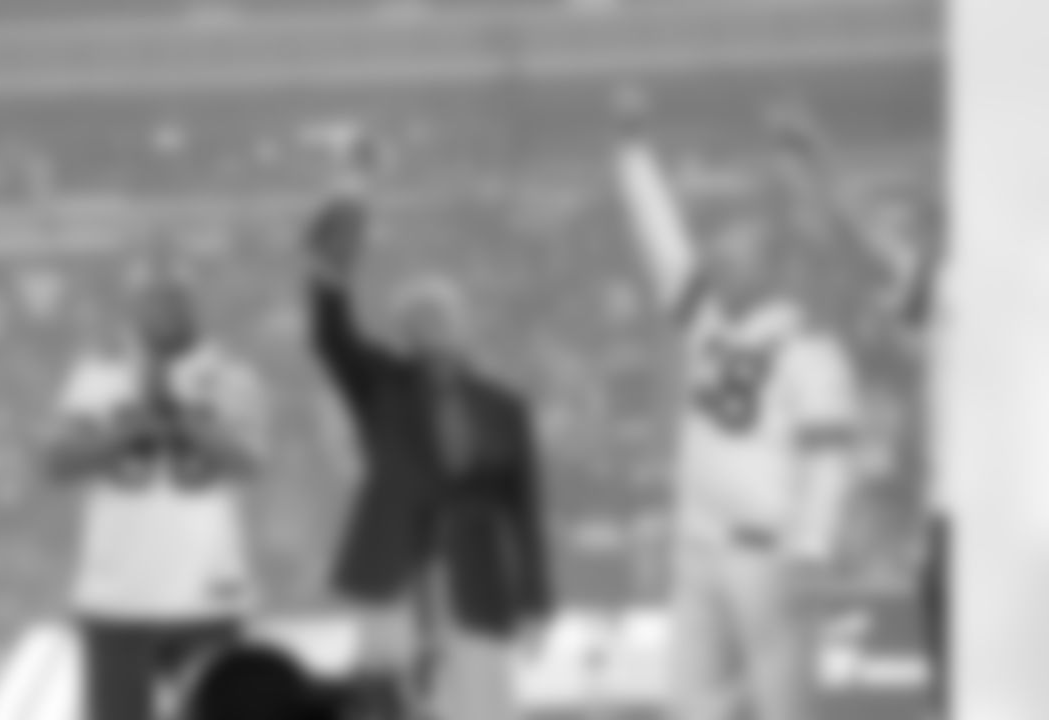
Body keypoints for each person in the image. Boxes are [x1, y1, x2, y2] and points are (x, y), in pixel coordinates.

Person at [611, 111, 865, 720]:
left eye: (737, 245)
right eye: (719, 245)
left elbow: (830, 464)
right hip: (697, 552)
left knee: (781, 707)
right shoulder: (707, 331)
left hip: (772, 558)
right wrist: (633, 156)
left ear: (773, 263)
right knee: (693, 707)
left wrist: (813, 550)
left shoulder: (810, 348)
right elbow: (663, 245)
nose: (719, 256)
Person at [300, 137, 552, 720]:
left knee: (483, 708)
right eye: (416, 320)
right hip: (395, 570)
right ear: (402, 336)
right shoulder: (378, 385)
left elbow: (525, 509)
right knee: (388, 705)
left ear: (465, 327)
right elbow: (328, 318)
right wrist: (352, 192)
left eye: (440, 316)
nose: (430, 327)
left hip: (477, 576)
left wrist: (535, 600)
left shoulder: (503, 408)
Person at [771, 114, 951, 716]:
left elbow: (865, 244)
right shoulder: (884, 305)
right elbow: (855, 242)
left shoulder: (940, 290)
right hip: (885, 454)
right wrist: (819, 174)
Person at [44, 267, 270, 720]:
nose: (163, 314)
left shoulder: (230, 376)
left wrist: (183, 417)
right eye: (152, 303)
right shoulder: (97, 376)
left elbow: (251, 462)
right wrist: (128, 428)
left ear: (195, 310)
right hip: (117, 595)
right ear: (132, 312)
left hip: (209, 592)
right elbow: (56, 462)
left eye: (175, 302)